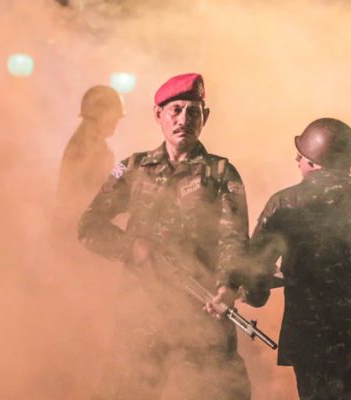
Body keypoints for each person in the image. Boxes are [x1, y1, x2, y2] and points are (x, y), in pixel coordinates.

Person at [78, 73, 262, 400]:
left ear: (204, 117)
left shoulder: (221, 173)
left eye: (193, 112)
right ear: (158, 114)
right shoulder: (132, 168)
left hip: (201, 312)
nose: (183, 120)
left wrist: (226, 288)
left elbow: (233, 239)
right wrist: (130, 248)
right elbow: (89, 226)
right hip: (142, 313)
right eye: (175, 110)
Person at [246, 118, 351, 400]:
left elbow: (253, 267)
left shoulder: (284, 202)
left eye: (300, 154)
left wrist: (258, 291)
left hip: (308, 339)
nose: (297, 159)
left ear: (311, 159)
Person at [56, 85, 124, 233]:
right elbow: (93, 188)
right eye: (113, 118)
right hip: (79, 227)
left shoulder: (94, 145)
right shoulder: (83, 147)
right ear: (99, 114)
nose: (115, 124)